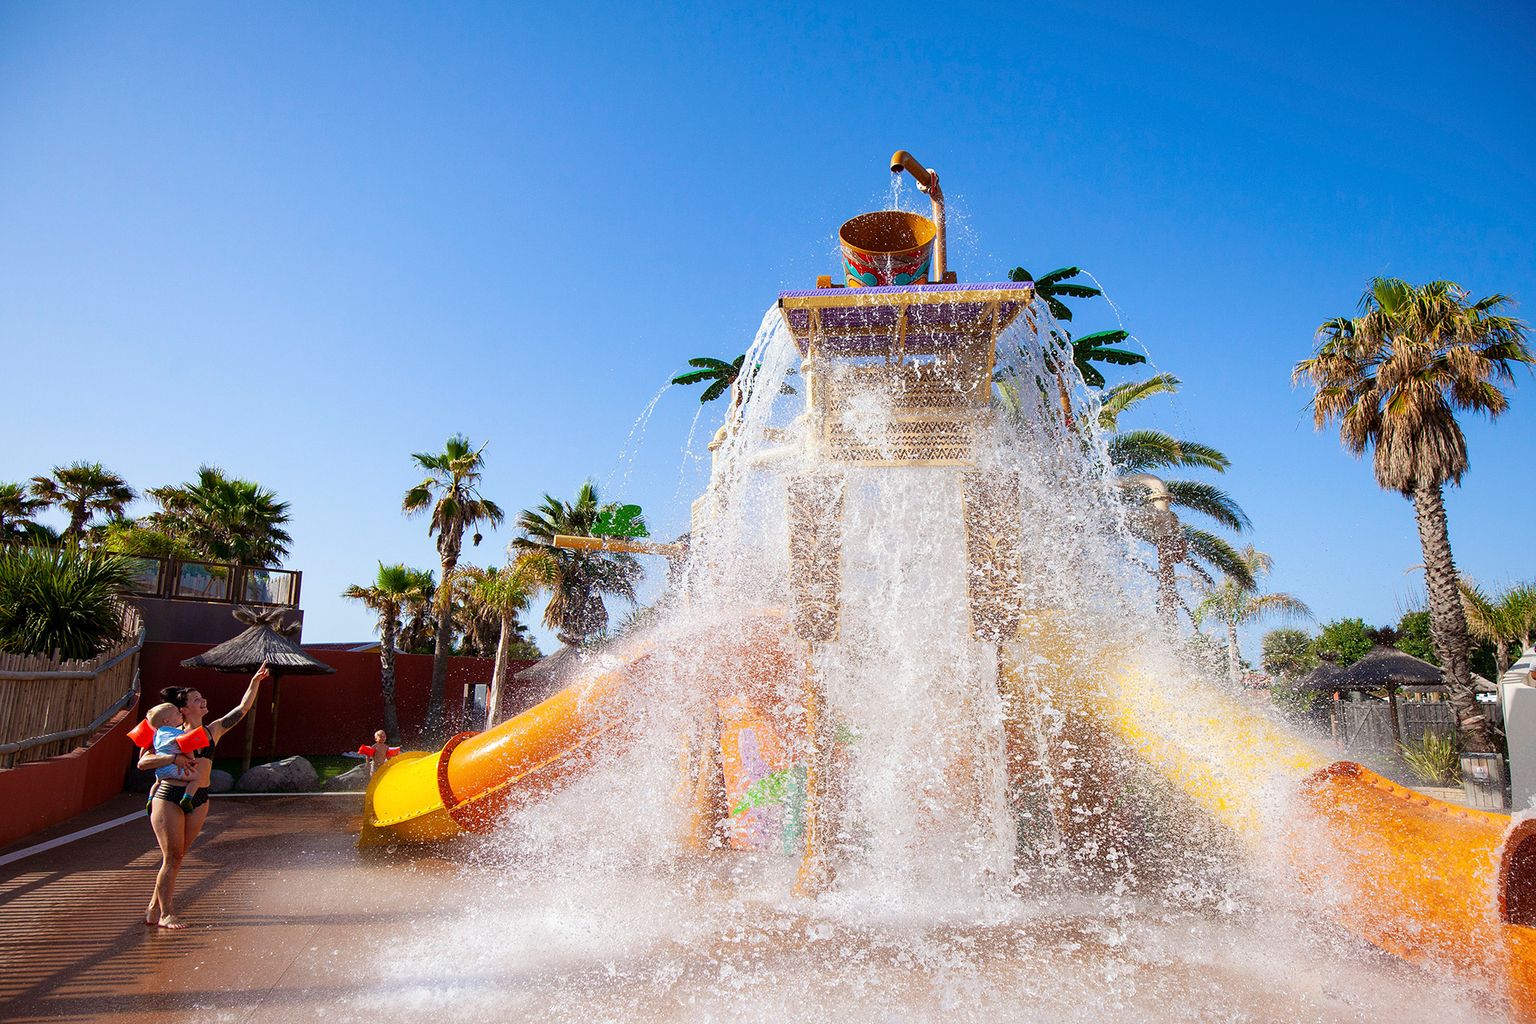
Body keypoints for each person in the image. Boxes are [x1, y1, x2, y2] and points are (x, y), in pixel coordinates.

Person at [137, 662, 269, 929]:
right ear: (183, 710)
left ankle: (153, 906)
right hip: (170, 794)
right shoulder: (167, 735)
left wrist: (254, 683)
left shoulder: (212, 731)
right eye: (197, 700)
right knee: (172, 856)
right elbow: (143, 763)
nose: (203, 701)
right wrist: (173, 756)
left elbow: (241, 710)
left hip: (199, 798)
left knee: (178, 856)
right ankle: (166, 914)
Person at [143, 703, 208, 811]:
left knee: (157, 783)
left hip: (161, 770)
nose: (180, 714)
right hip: (175, 769)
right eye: (177, 713)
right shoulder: (178, 733)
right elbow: (185, 747)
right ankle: (187, 799)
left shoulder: (157, 734)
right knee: (197, 778)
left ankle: (150, 799)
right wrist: (191, 758)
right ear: (166, 721)